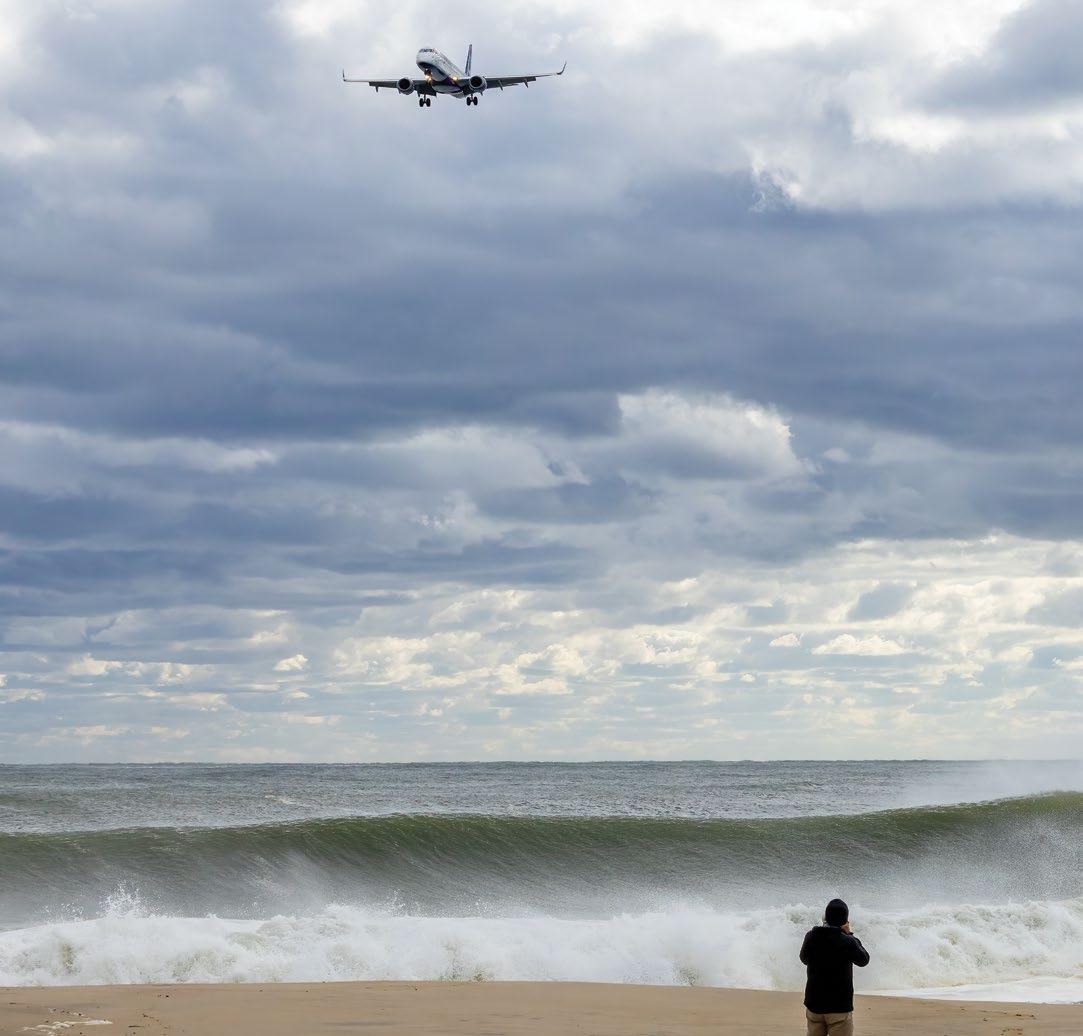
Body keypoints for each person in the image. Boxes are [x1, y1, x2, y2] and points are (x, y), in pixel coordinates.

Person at [799, 898, 870, 1036]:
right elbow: (864, 960)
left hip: (814, 1004)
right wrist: (849, 934)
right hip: (839, 1007)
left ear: (826, 917)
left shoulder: (811, 936)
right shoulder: (848, 941)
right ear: (845, 920)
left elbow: (804, 959)